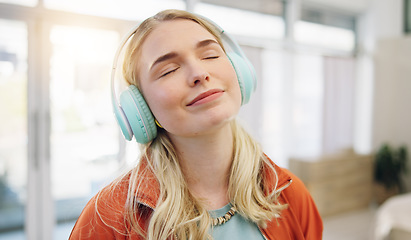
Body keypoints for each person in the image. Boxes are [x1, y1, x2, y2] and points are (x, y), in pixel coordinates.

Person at [69, 9, 323, 240]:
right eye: (168, 70)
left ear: (239, 71)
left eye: (210, 54)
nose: (199, 73)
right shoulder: (107, 218)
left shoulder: (289, 193)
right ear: (141, 109)